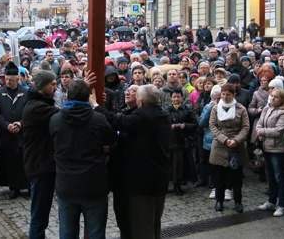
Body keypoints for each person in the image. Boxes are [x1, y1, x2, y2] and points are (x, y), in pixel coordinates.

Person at [49, 80, 117, 239]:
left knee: (67, 234)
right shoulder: (98, 119)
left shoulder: (56, 120)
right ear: (88, 97)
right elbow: (112, 138)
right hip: (93, 184)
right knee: (96, 234)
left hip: (66, 184)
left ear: (67, 96)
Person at [105, 84, 170, 239]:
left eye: (134, 91)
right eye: (127, 90)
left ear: (140, 101)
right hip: (150, 179)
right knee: (148, 223)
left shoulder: (142, 116)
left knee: (142, 225)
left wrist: (95, 106)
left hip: (142, 182)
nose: (129, 92)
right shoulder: (160, 114)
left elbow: (120, 122)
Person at [22, 69, 59, 239]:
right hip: (40, 166)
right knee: (39, 214)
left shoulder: (39, 103)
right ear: (42, 85)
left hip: (42, 164)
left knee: (40, 213)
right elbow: (63, 115)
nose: (55, 87)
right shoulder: (37, 107)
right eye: (52, 84)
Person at [0, 61, 29, 198]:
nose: (8, 82)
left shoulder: (26, 93)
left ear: (17, 79)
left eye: (11, 80)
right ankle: (14, 187)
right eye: (6, 79)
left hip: (22, 133)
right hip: (7, 133)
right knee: (10, 161)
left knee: (24, 161)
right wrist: (6, 125)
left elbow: (30, 113)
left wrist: (20, 123)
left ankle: (27, 186)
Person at [209, 83, 250, 213]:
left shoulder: (241, 109)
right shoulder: (216, 108)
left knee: (236, 178)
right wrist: (224, 140)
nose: (225, 97)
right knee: (219, 177)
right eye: (223, 94)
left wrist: (236, 140)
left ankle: (238, 201)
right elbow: (213, 126)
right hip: (220, 146)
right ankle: (219, 201)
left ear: (234, 95)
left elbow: (245, 127)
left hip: (236, 147)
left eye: (228, 95)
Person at [255, 87, 284, 217]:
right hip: (266, 146)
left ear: (282, 99)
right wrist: (259, 130)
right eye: (271, 96)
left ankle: (282, 204)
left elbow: (279, 130)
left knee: (279, 176)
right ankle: (271, 200)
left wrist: (262, 132)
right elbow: (259, 124)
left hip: (278, 148)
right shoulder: (267, 108)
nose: (272, 98)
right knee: (270, 176)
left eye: (275, 97)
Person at [167, 89, 197, 195]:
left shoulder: (187, 110)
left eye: (178, 97)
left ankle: (179, 183)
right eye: (174, 97)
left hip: (184, 141)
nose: (176, 99)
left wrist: (185, 126)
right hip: (171, 141)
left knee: (181, 164)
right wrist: (169, 127)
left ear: (182, 98)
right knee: (173, 164)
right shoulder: (166, 110)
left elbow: (194, 124)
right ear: (171, 98)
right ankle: (172, 184)